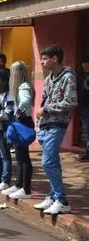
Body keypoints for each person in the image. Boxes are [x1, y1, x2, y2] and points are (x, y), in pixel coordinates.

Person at [34, 45, 77, 215]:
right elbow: (44, 101)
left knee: (47, 162)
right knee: (53, 163)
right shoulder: (49, 79)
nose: (42, 62)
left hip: (58, 124)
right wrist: (40, 117)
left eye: (45, 59)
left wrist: (46, 109)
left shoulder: (68, 77)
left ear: (55, 59)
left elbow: (71, 102)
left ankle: (62, 200)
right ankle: (53, 196)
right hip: (45, 124)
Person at [4, 61, 34, 199]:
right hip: (22, 121)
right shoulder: (23, 86)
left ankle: (25, 189)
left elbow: (26, 100)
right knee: (20, 156)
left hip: (23, 122)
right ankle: (19, 184)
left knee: (23, 157)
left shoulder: (23, 86)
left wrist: (18, 111)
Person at [78, 54, 89, 162]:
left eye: (87, 63)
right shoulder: (81, 75)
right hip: (84, 106)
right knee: (86, 129)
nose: (85, 65)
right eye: (84, 63)